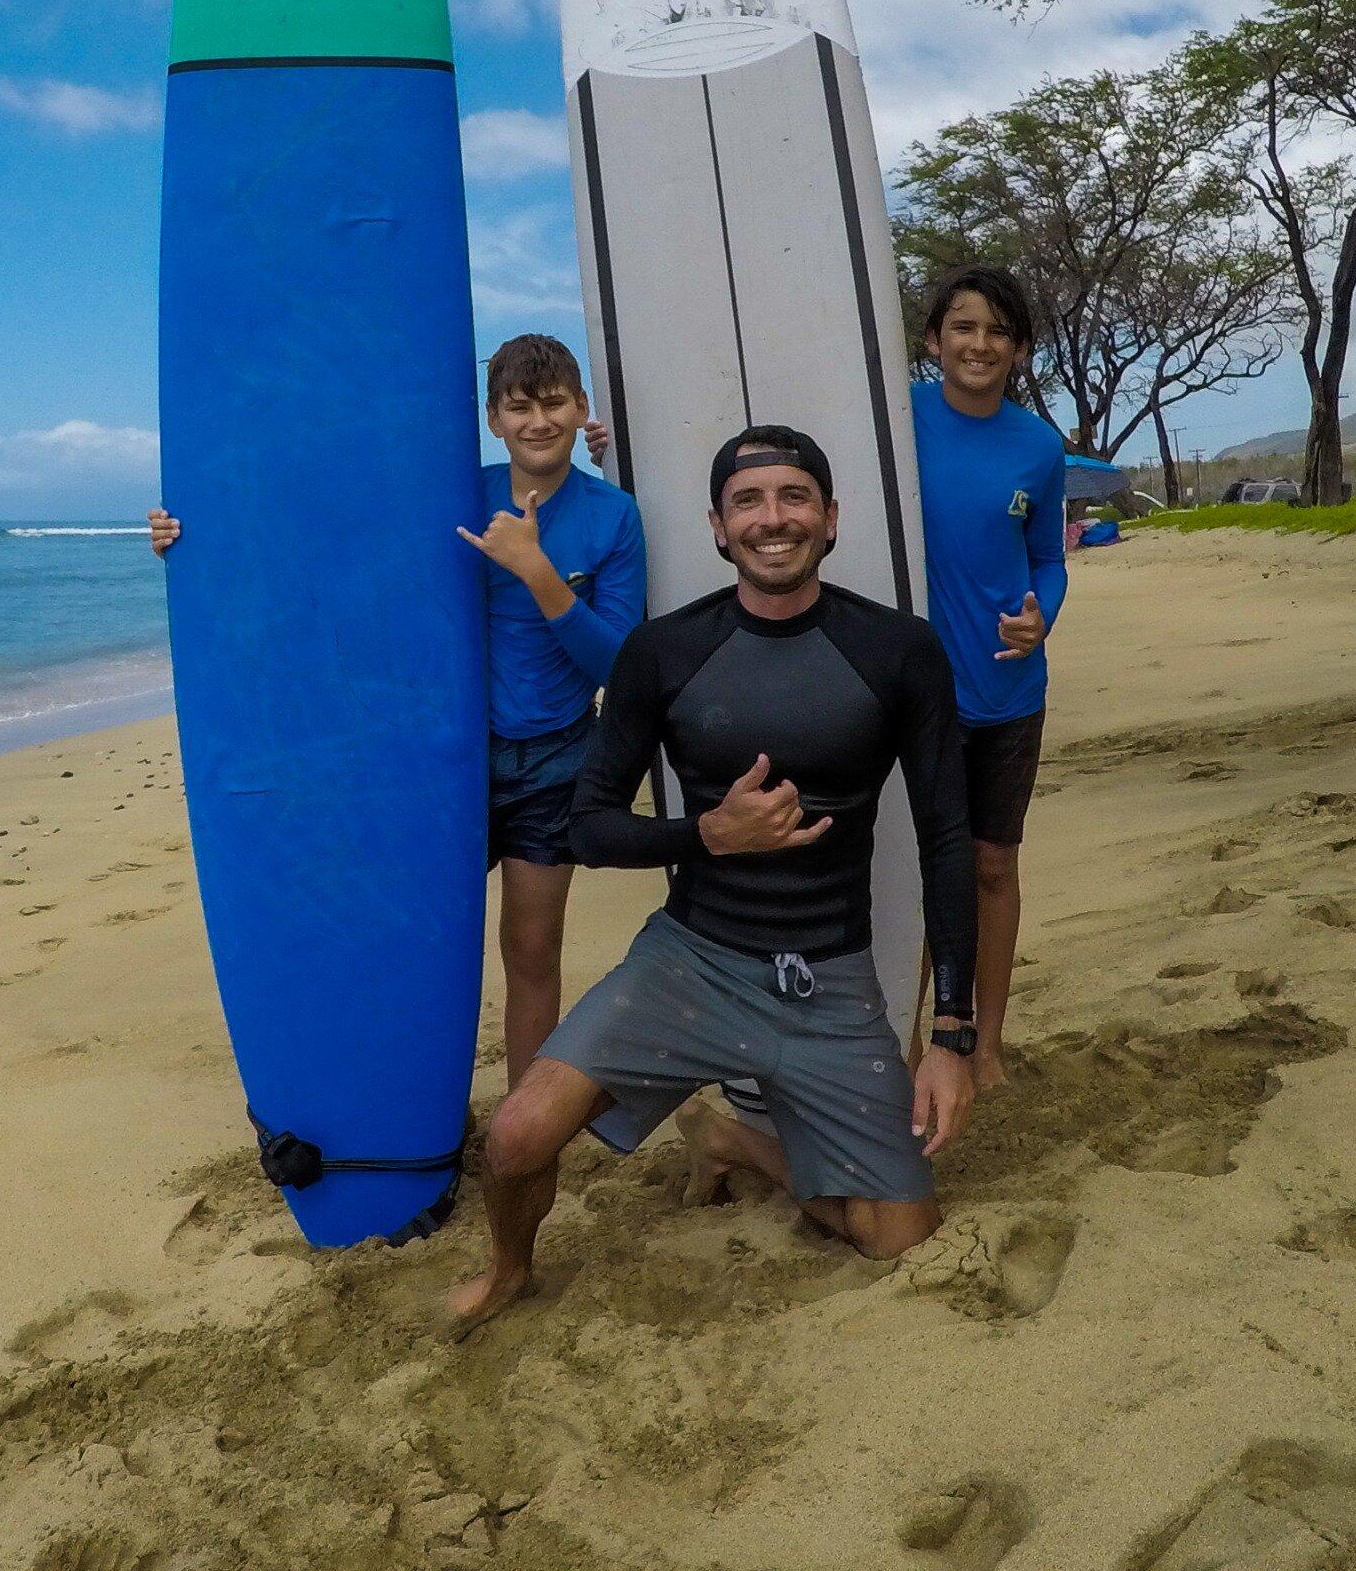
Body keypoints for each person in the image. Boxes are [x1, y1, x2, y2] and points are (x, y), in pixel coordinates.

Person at [447, 425, 978, 1330]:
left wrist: (953, 1036)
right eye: (750, 501)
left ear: (832, 518)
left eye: (794, 497)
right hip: (688, 966)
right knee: (516, 1134)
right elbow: (590, 826)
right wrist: (709, 834)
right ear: (718, 527)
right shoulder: (660, 653)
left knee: (901, 1238)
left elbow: (948, 839)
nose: (774, 518)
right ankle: (508, 1271)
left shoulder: (900, 650)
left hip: (829, 980)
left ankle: (732, 1136)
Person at [151, 333, 644, 1083]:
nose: (537, 422)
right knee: (406, 943)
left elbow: (620, 665)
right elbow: (324, 542)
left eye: (552, 405)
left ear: (580, 411)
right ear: (492, 419)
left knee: (533, 954)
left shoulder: (613, 517)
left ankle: (520, 1129)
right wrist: (194, 540)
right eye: (518, 407)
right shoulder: (456, 497)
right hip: (444, 757)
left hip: (557, 758)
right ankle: (407, 1116)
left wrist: (539, 572)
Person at [908, 265, 1068, 1092]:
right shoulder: (894, 418)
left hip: (1008, 688)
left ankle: (988, 1041)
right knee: (919, 872)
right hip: (913, 694)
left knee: (993, 865)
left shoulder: (1039, 446)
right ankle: (920, 1045)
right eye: (962, 327)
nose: (979, 344)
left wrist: (1044, 613)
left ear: (1018, 350)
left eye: (998, 331)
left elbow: (1046, 555)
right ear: (933, 340)